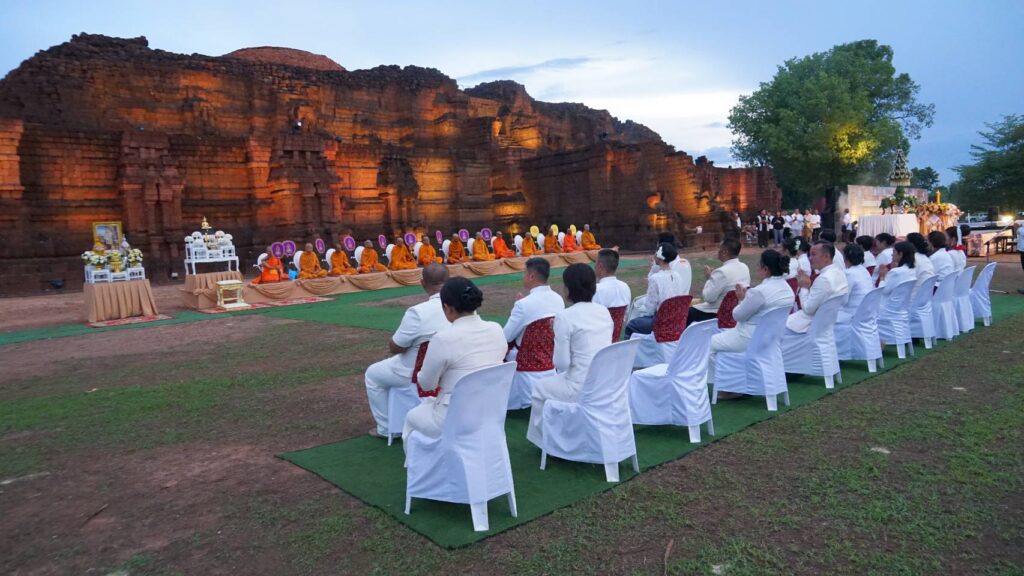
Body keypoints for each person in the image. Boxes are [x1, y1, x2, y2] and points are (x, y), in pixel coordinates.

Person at [402, 277, 507, 442]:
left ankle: (429, 460)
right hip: (491, 410)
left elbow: (427, 385)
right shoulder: (497, 329)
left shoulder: (443, 339)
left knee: (411, 417)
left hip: (453, 416)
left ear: (447, 308)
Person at [526, 264, 613, 446]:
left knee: (539, 387)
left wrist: (558, 334)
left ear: (568, 289)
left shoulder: (565, 316)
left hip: (579, 386)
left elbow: (561, 364)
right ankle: (564, 434)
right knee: (550, 385)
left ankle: (549, 442)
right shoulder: (603, 311)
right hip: (605, 382)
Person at [365, 264, 451, 439]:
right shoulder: (460, 306)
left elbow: (396, 347)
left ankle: (386, 428)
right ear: (449, 280)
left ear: (422, 283)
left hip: (415, 373)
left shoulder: (418, 312)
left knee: (372, 375)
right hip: (449, 367)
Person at [708, 249, 795, 383]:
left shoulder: (760, 291)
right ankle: (734, 381)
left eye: (758, 264)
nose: (756, 267)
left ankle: (728, 383)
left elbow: (737, 315)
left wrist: (741, 299)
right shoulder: (787, 289)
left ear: (765, 269)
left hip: (748, 338)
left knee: (707, 344)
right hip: (771, 339)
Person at [503, 257, 565, 355]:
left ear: (531, 276)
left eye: (525, 273)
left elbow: (506, 337)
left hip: (525, 359)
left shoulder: (522, 305)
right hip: (552, 357)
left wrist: (514, 310)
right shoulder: (559, 299)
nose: (523, 277)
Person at [626, 242, 688, 337]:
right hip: (676, 321)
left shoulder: (655, 278)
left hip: (660, 322)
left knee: (632, 324)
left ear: (659, 256)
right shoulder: (677, 276)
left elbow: (650, 309)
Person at [786, 241, 849, 333]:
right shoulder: (840, 272)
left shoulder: (824, 279)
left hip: (815, 325)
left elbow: (807, 309)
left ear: (826, 257)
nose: (810, 258)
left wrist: (804, 287)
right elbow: (844, 300)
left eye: (813, 255)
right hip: (829, 321)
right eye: (809, 255)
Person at [687, 238, 752, 325]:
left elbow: (708, 298)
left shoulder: (722, 272)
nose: (718, 251)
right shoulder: (744, 267)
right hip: (736, 309)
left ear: (725, 252)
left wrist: (709, 279)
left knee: (687, 314)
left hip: (717, 312)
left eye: (719, 249)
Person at [837, 244, 872, 324]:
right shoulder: (864, 270)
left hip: (852, 314)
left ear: (845, 257)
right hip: (865, 312)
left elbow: (843, 300)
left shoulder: (849, 273)